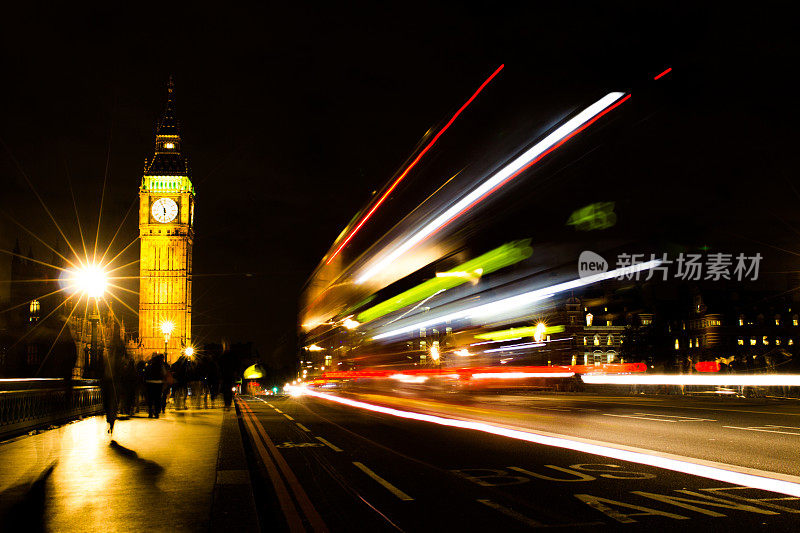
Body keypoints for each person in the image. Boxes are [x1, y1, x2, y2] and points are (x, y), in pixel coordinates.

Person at [145, 353, 165, 418]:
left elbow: (146, 373)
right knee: (157, 398)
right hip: (158, 383)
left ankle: (150, 412)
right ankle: (156, 412)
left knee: (150, 398)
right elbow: (164, 373)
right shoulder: (160, 365)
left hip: (150, 382)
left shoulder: (149, 365)